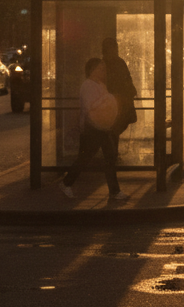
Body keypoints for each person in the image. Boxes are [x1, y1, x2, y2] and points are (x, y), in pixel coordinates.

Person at [59, 57, 128, 202]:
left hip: (102, 127)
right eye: (100, 68)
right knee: (87, 158)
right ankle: (67, 183)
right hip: (92, 128)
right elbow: (91, 107)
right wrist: (109, 101)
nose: (103, 71)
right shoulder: (87, 86)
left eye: (104, 69)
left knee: (106, 157)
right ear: (92, 70)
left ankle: (114, 191)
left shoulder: (100, 85)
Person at [101, 37, 138, 136]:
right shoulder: (119, 62)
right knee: (117, 127)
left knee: (113, 128)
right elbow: (127, 79)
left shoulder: (103, 64)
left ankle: (112, 149)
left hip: (111, 100)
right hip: (120, 99)